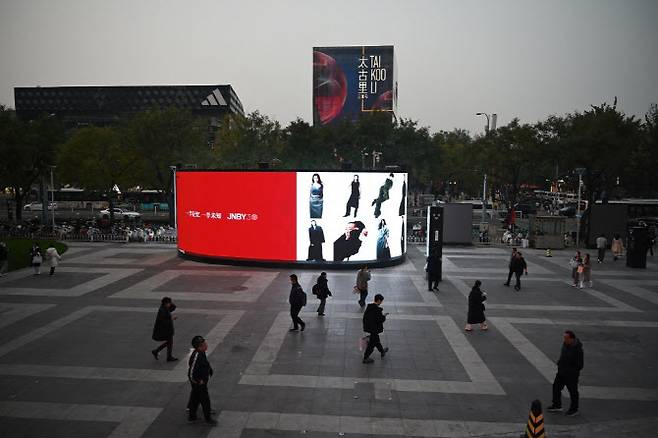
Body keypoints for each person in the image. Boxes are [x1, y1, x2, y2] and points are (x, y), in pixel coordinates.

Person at [548, 330, 584, 417]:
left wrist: (571, 371)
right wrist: (560, 364)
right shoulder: (565, 344)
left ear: (572, 339)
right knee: (556, 387)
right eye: (564, 338)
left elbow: (580, 364)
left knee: (573, 391)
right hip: (562, 371)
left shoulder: (577, 349)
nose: (564, 339)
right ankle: (557, 405)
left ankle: (574, 409)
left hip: (571, 374)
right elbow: (563, 356)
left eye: (566, 338)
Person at [187, 335, 217, 425]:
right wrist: (198, 381)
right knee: (205, 400)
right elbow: (191, 372)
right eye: (204, 344)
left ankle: (192, 417)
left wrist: (209, 371)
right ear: (199, 347)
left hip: (201, 381)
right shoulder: (197, 355)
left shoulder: (202, 353)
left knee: (195, 399)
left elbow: (205, 364)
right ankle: (208, 419)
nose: (206, 345)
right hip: (199, 383)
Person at [362, 293, 389, 364]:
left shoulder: (369, 307)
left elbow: (368, 318)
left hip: (370, 329)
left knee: (377, 341)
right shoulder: (377, 310)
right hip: (374, 330)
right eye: (381, 301)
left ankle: (382, 351)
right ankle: (366, 358)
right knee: (372, 344)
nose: (381, 303)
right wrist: (384, 316)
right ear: (379, 300)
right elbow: (380, 319)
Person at [151, 297, 178, 361]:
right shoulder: (162, 310)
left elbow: (173, 307)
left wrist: (171, 303)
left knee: (169, 342)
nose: (170, 304)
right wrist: (172, 319)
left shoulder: (166, 308)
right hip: (164, 330)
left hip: (167, 329)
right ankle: (167, 355)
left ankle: (158, 351)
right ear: (166, 303)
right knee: (170, 342)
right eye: (169, 303)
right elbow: (163, 321)